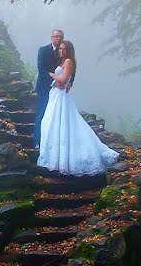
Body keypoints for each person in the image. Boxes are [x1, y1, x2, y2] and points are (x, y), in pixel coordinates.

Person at [37, 41, 119, 175]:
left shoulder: (68, 61)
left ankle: (68, 159)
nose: (61, 51)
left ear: (69, 50)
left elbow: (63, 80)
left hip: (60, 96)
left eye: (64, 49)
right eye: (60, 49)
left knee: (58, 123)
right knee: (50, 124)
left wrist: (52, 75)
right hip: (55, 95)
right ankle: (55, 158)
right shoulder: (62, 62)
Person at [34, 29, 64, 147]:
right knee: (41, 114)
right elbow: (41, 69)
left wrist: (70, 82)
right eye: (56, 36)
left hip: (60, 90)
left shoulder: (64, 51)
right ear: (51, 37)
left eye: (60, 37)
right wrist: (53, 82)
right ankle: (37, 141)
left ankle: (53, 143)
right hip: (44, 87)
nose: (58, 39)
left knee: (56, 116)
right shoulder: (43, 50)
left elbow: (71, 66)